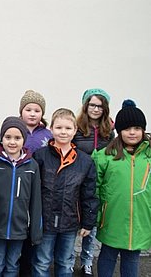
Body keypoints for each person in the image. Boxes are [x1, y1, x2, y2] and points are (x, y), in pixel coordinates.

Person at [31, 108, 98, 277]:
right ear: (51, 129)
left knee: (65, 261)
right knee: (42, 262)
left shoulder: (85, 161)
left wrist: (88, 222)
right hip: (44, 222)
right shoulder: (40, 156)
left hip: (70, 222)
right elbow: (32, 189)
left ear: (75, 130)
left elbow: (89, 194)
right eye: (59, 127)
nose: (63, 132)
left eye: (68, 128)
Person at [92, 100, 151, 277]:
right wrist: (96, 214)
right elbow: (95, 187)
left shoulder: (148, 157)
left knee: (132, 257)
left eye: (137, 128)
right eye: (126, 129)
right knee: (108, 255)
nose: (132, 133)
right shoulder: (105, 156)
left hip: (140, 218)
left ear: (143, 130)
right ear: (118, 131)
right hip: (112, 216)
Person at [0, 117, 42, 277]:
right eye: (8, 137)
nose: (12, 142)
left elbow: (36, 201)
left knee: (12, 265)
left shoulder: (32, 166)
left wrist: (35, 231)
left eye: (17, 138)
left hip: (19, 228)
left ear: (24, 139)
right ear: (2, 138)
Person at [71, 88, 114, 276]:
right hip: (78, 181)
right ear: (86, 105)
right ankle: (69, 260)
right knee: (74, 223)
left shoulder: (108, 131)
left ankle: (87, 262)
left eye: (100, 106)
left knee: (92, 224)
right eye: (92, 105)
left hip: (98, 182)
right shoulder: (77, 127)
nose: (96, 109)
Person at [17, 89, 52, 277]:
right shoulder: (14, 130)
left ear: (42, 113)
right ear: (21, 111)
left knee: (34, 230)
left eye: (37, 110)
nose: (32, 113)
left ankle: (30, 267)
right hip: (18, 187)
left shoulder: (47, 135)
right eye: (28, 109)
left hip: (40, 187)